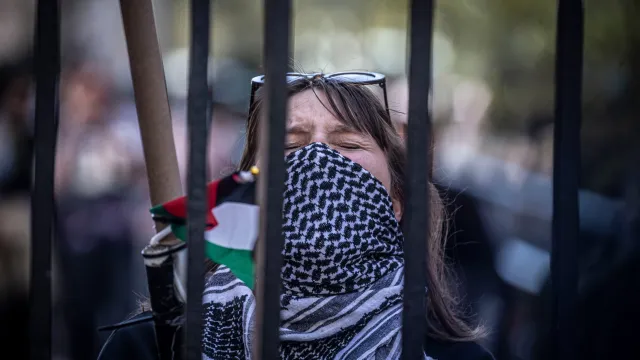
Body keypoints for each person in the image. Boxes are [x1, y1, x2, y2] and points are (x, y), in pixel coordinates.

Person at [97, 72, 494, 359]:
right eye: (290, 144)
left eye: (347, 142)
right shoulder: (153, 346)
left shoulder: (454, 356)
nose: (317, 156)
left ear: (396, 201)